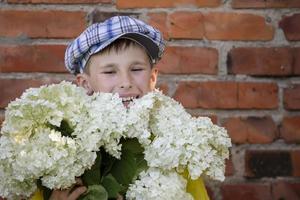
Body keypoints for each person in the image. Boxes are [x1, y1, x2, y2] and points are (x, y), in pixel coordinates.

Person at [31, 16, 209, 200]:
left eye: (136, 69)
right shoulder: (62, 151)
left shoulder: (175, 147)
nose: (126, 82)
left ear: (152, 78)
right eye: (110, 72)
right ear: (85, 83)